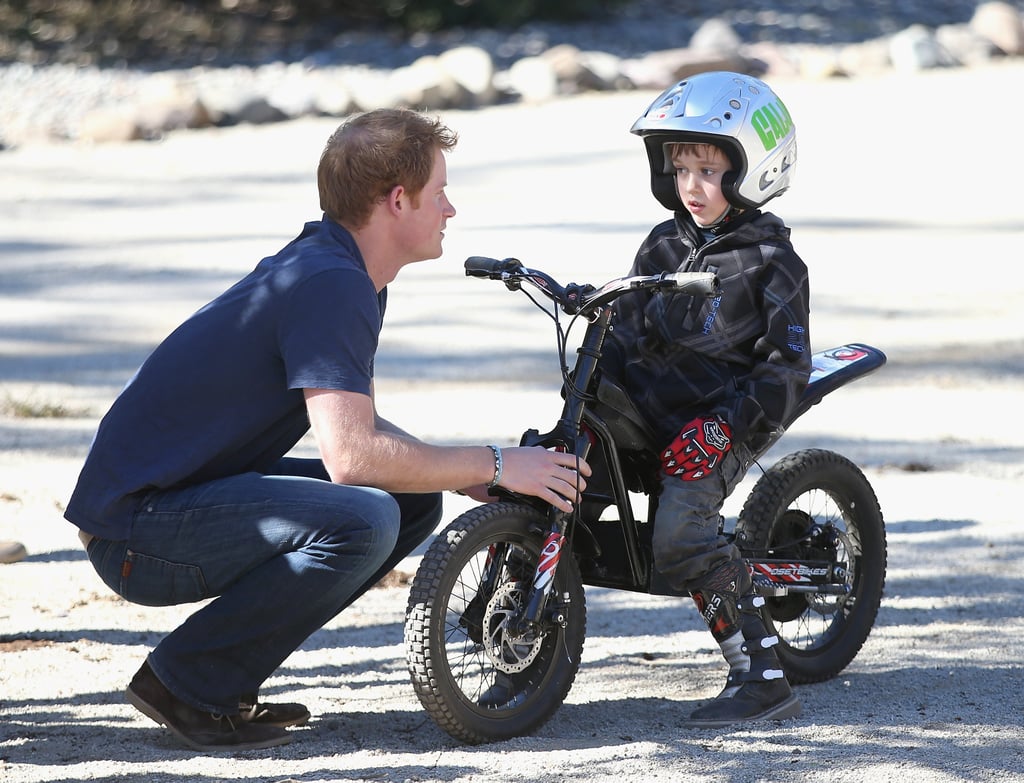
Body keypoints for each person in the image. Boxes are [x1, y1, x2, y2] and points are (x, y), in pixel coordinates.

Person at [64, 108, 589, 753]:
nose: (450, 210)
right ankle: (188, 683)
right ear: (398, 201)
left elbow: (345, 418)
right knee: (364, 517)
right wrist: (496, 464)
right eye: (440, 193)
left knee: (409, 500)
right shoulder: (334, 283)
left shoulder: (342, 270)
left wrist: (463, 471)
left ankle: (209, 682)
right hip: (136, 532)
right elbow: (351, 455)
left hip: (162, 506)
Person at [601, 71, 810, 728]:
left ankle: (763, 673)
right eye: (679, 167)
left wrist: (725, 427)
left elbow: (786, 367)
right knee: (569, 449)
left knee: (681, 534)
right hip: (653, 405)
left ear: (754, 170)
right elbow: (627, 327)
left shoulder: (773, 259)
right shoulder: (663, 241)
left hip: (723, 417)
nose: (691, 184)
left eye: (709, 169)